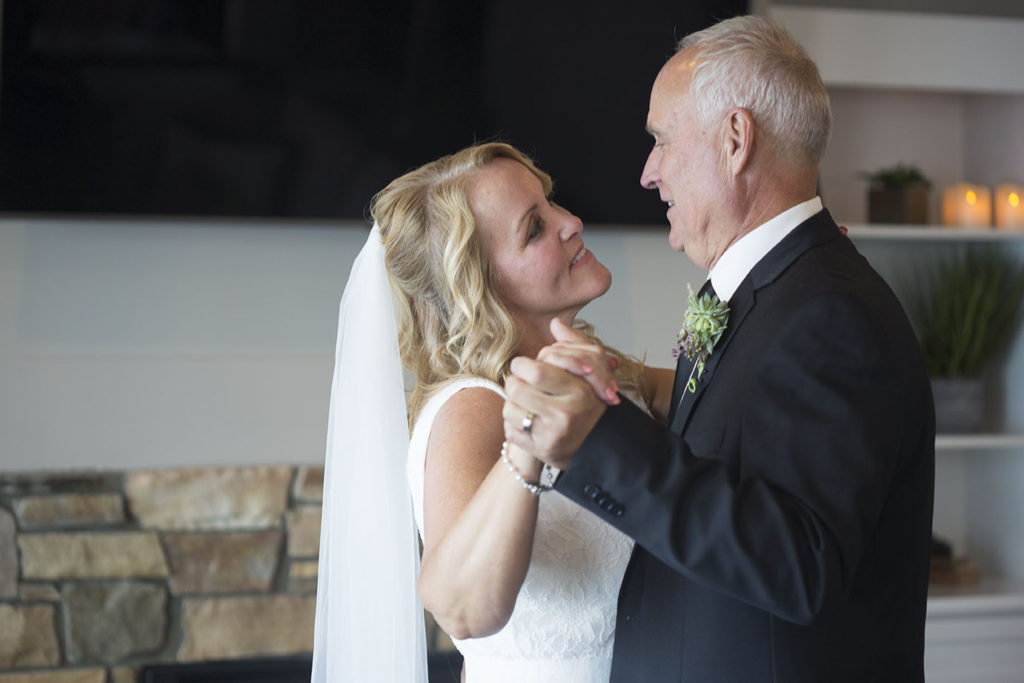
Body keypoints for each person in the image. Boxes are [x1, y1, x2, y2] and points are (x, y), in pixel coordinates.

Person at [503, 15, 935, 682]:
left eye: (662, 140)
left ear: (736, 140)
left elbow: (802, 561)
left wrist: (599, 440)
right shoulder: (782, 294)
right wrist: (634, 383)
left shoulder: (832, 314)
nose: (648, 172)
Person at [311, 142, 658, 683]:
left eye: (552, 203)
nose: (572, 221)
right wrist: (528, 443)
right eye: (535, 228)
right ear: (480, 285)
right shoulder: (470, 409)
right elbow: (463, 608)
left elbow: (718, 384)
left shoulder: (594, 374)